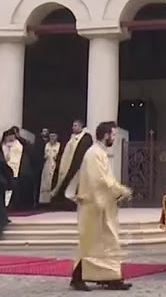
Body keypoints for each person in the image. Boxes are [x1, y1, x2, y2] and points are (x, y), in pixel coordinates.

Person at [71, 121, 134, 292]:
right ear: (106, 135)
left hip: (103, 206)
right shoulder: (94, 154)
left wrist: (117, 191)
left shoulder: (100, 153)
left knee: (108, 242)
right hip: (94, 206)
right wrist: (120, 190)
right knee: (91, 243)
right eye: (113, 135)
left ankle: (111, 278)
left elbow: (106, 179)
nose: (114, 138)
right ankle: (77, 278)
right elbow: (99, 180)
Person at [50, 119, 95, 210]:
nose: (73, 127)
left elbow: (81, 152)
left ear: (81, 126)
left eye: (75, 125)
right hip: (68, 165)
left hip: (79, 166)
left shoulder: (86, 137)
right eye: (73, 125)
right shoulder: (72, 137)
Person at [1, 127, 33, 210]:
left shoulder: (19, 144)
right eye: (9, 136)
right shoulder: (3, 145)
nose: (11, 138)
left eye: (12, 136)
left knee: (16, 187)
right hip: (6, 167)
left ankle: (16, 204)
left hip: (17, 168)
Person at [40, 130, 61, 206]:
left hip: (55, 165)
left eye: (54, 136)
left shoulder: (59, 145)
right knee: (45, 182)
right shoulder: (47, 145)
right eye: (51, 136)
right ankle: (44, 201)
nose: (52, 138)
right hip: (47, 165)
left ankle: (53, 201)